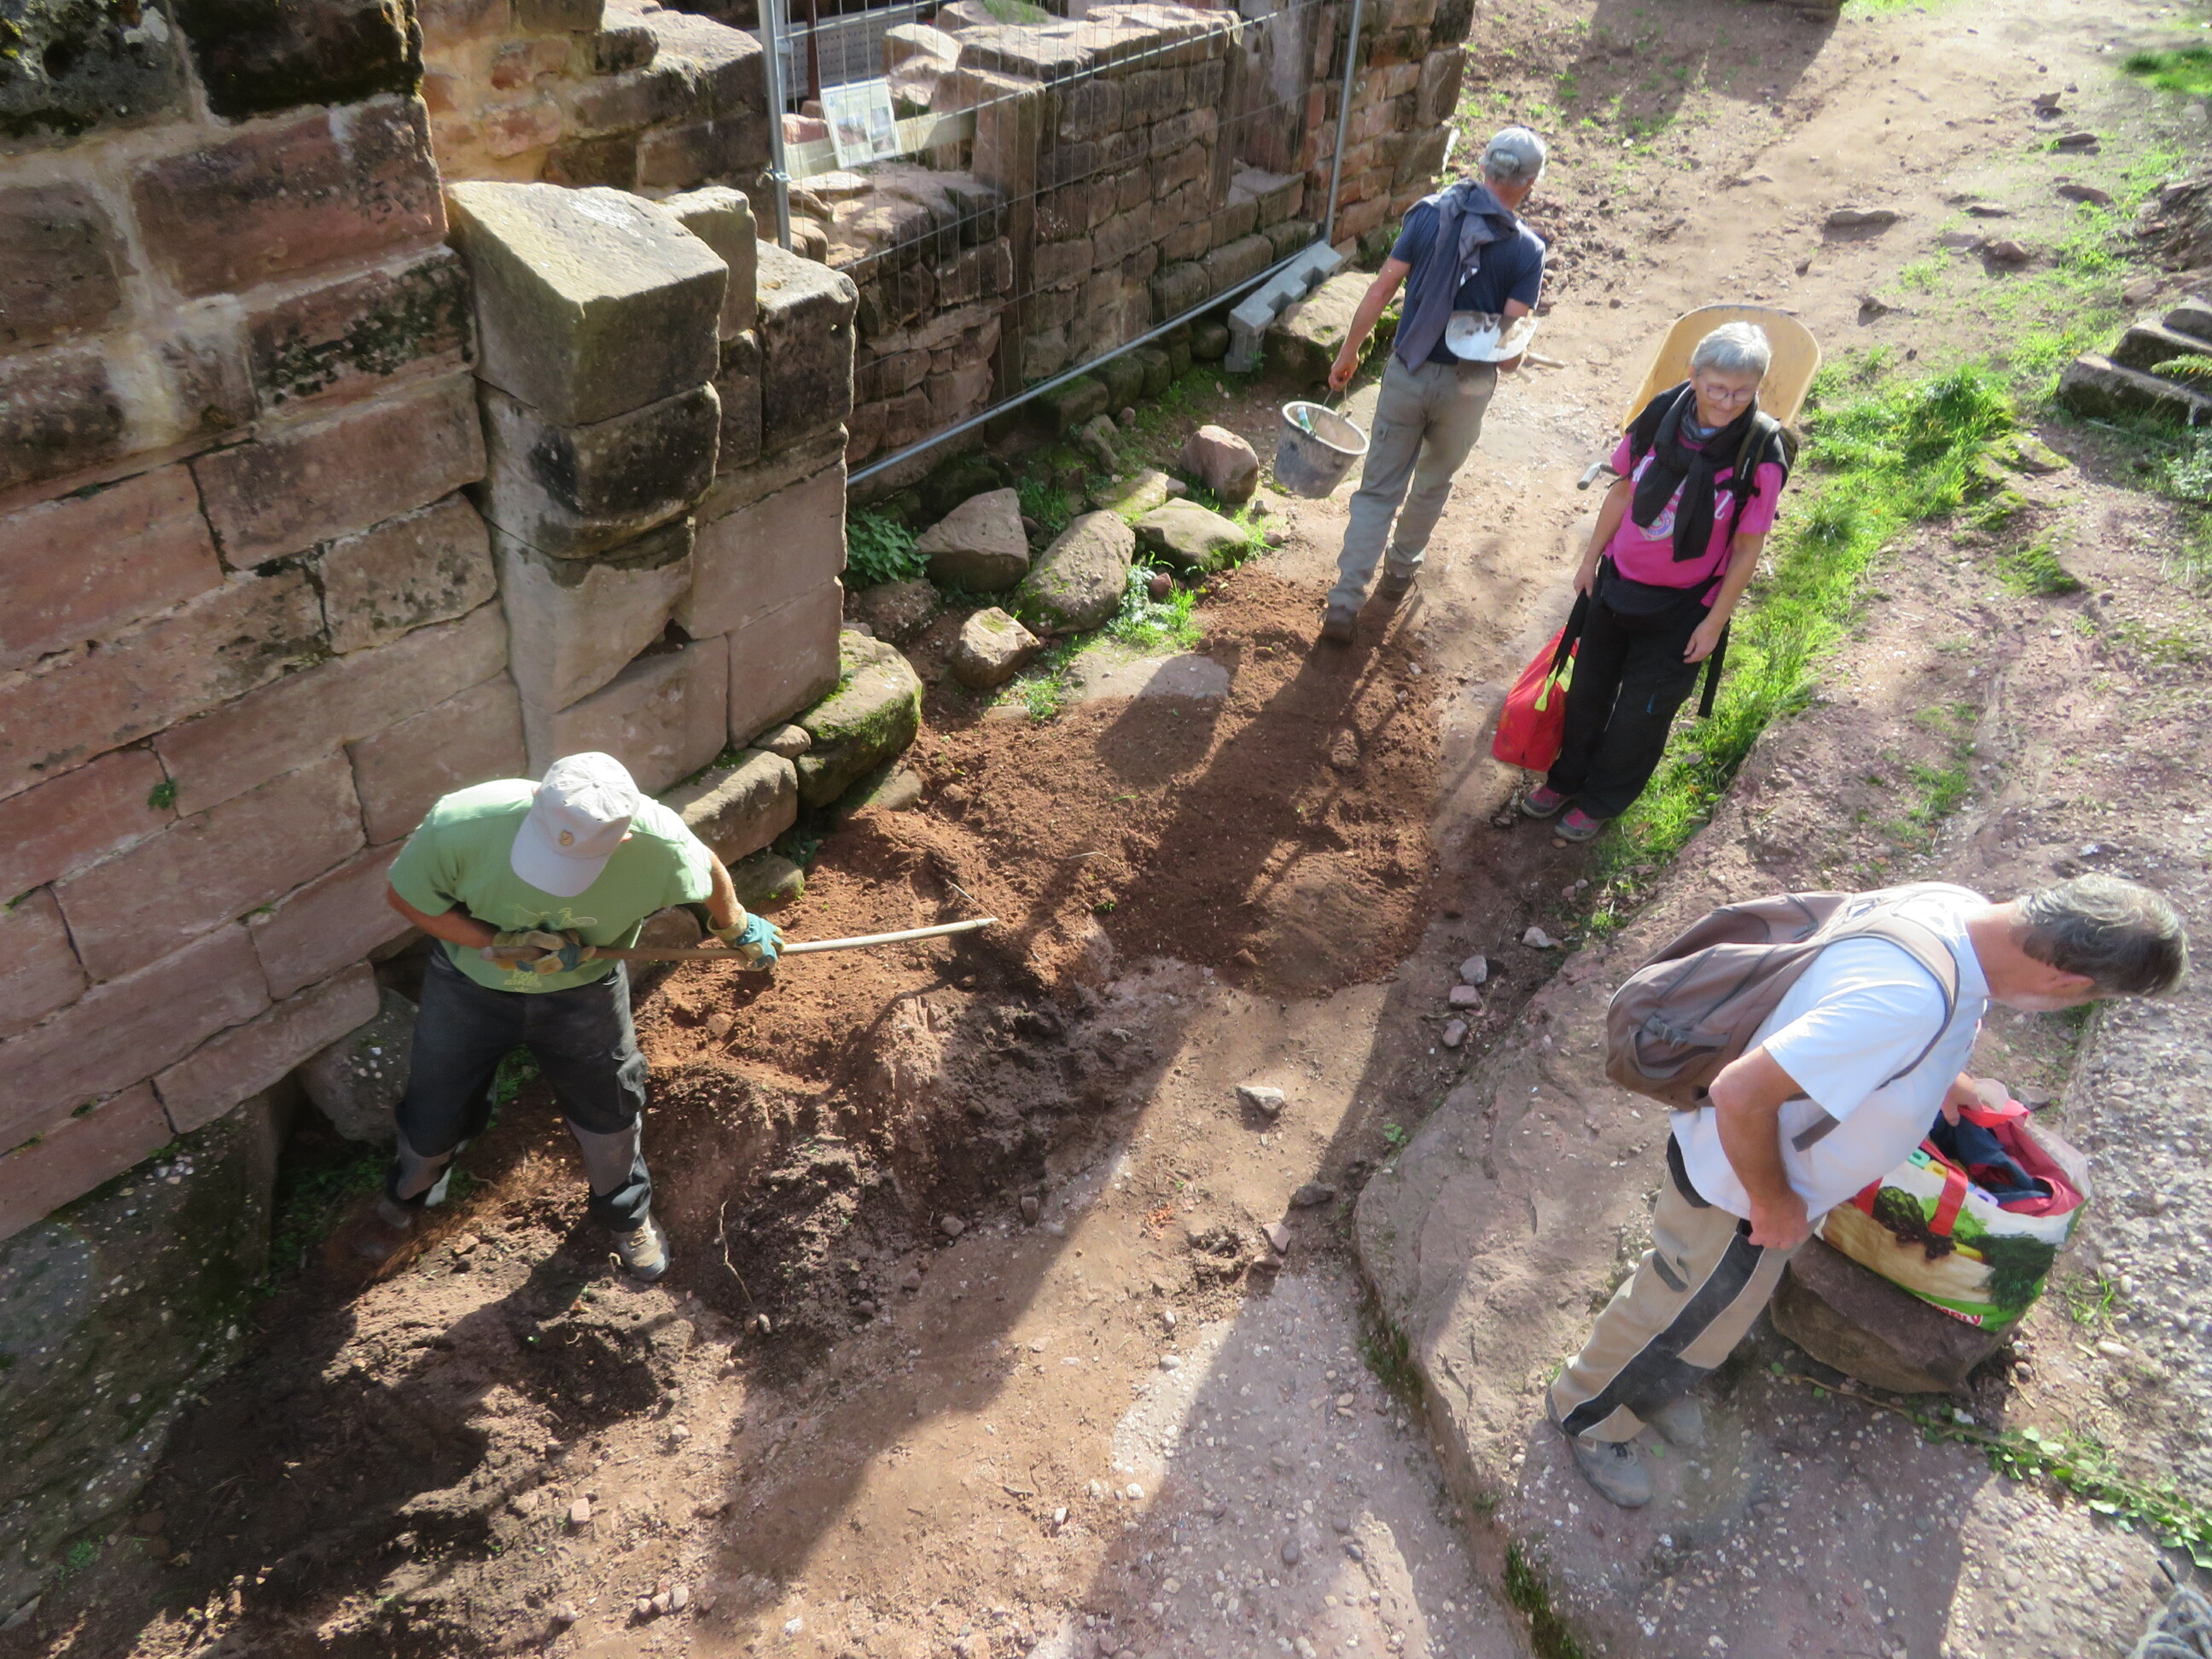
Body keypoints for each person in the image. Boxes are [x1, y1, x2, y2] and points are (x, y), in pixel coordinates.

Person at [1550, 875, 2189, 1508]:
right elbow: (1740, 1093)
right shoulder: (1905, 1005)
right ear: (2069, 984)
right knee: (1680, 1302)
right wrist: (1774, 1203)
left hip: (1751, 1176)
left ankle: (1649, 1386)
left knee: (1712, 1308)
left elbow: (1860, 1008)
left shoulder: (1958, 911)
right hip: (1736, 1190)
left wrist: (1947, 1079)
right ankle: (1589, 1413)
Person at [360, 752, 783, 1279]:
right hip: (469, 986)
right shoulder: (462, 824)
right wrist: (497, 940)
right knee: (434, 1110)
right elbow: (407, 898)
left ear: (623, 839)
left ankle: (627, 1215)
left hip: (583, 995)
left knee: (610, 1108)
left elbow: (706, 870)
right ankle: (412, 1191)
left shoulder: (661, 843)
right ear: (536, 798)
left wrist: (737, 925)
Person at [1523, 321, 1792, 841]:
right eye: (1717, 387)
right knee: (1587, 692)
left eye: (1742, 392)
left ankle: (1602, 800)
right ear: (1694, 375)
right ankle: (1566, 778)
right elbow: (1624, 491)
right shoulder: (1660, 416)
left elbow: (1747, 548)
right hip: (1616, 585)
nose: (1728, 402)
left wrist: (1714, 622)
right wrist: (1589, 561)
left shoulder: (1761, 453)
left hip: (1684, 609)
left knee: (1640, 716)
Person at [1318, 125, 1551, 643]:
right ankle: (1398, 578)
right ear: (1530, 184)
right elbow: (1507, 355)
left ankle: (1344, 602)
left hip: (1408, 372)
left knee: (1378, 490)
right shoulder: (1527, 251)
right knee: (1431, 484)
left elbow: (1382, 289)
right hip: (1467, 391)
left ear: (1483, 166)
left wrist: (1349, 351)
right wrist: (1518, 351)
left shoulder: (1428, 215)